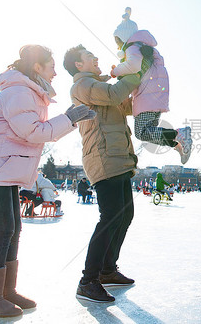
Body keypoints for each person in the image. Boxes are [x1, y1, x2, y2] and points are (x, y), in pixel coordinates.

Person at [0, 45, 94, 318]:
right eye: (51, 66)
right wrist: (70, 118)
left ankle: (5, 291)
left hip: (5, 167)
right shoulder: (19, 92)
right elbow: (33, 132)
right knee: (4, 229)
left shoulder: (29, 93)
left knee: (13, 229)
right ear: (37, 67)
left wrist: (71, 117)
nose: (55, 74)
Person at [65, 43, 141, 303]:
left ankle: (108, 269)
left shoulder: (102, 86)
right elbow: (112, 95)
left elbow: (124, 105)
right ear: (78, 64)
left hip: (119, 157)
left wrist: (150, 93)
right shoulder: (83, 86)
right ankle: (88, 281)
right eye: (89, 56)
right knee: (110, 216)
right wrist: (136, 73)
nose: (96, 58)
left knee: (125, 214)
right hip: (102, 157)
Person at [110, 7, 192, 164]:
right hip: (154, 96)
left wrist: (116, 71)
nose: (119, 48)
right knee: (150, 132)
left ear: (125, 38)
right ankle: (178, 143)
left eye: (119, 43)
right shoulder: (145, 49)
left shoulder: (133, 48)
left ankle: (179, 134)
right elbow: (139, 73)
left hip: (147, 97)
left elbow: (133, 66)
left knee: (142, 132)